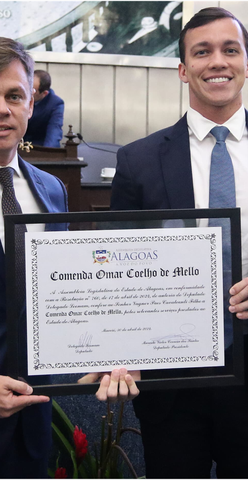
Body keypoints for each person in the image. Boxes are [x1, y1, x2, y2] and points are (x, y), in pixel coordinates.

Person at [109, 7, 248, 477]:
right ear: (183, 69)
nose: (216, 62)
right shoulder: (139, 161)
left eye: (230, 49)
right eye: (201, 52)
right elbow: (115, 272)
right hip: (171, 382)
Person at [0, 38, 69, 478]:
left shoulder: (53, 191)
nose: (3, 109)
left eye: (13, 96)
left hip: (33, 422)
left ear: (31, 103)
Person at [25, 70, 64, 147]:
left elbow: (54, 131)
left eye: (32, 90)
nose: (27, 92)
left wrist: (47, 153)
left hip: (39, 149)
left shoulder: (55, 103)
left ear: (44, 93)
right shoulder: (18, 98)